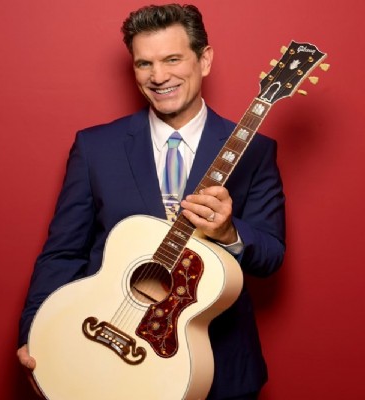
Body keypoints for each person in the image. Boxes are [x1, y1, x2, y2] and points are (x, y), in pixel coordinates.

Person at [17, 4, 285, 399]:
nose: (158, 77)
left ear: (204, 60)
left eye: (172, 59)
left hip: (217, 365)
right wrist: (35, 335)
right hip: (102, 352)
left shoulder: (254, 150)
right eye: (144, 63)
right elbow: (62, 254)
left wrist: (229, 233)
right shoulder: (95, 148)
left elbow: (271, 254)